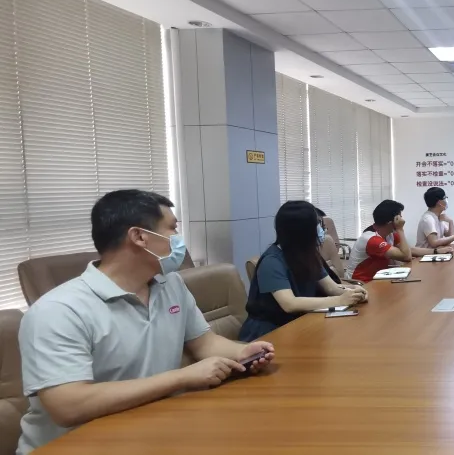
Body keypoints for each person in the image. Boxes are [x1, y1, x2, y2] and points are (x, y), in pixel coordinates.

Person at [17, 190, 276, 454]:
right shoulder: (58, 311)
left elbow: (205, 343)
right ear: (139, 237)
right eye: (172, 228)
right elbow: (68, 405)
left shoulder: (170, 284)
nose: (178, 239)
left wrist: (241, 352)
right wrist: (181, 378)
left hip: (153, 430)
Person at [238, 201, 368, 341]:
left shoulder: (307, 255)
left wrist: (354, 291)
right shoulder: (272, 261)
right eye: (317, 224)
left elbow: (331, 287)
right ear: (303, 231)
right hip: (269, 333)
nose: (322, 230)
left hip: (298, 323)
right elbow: (290, 304)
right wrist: (340, 300)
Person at [346, 199, 412, 281]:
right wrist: (400, 229)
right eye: (399, 218)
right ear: (390, 222)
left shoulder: (389, 234)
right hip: (361, 283)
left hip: (377, 279)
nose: (402, 221)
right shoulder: (372, 240)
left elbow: (408, 250)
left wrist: (429, 252)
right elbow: (406, 256)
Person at [413, 187, 454, 256]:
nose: (446, 200)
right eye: (445, 198)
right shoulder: (428, 219)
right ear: (439, 202)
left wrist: (450, 222)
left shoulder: (438, 216)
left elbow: (450, 236)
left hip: (435, 254)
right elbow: (434, 243)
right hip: (423, 256)